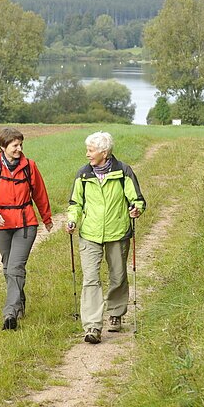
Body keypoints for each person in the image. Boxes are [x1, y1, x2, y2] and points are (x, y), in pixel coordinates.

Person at [66, 131, 145, 344]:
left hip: (117, 232)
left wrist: (136, 209)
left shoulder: (123, 171)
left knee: (118, 275)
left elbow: (137, 199)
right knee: (91, 278)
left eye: (91, 150)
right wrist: (72, 219)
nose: (87, 154)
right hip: (90, 233)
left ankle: (116, 313)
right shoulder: (83, 174)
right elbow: (75, 203)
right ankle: (92, 326)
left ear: (104, 152)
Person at [0, 127, 53, 331]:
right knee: (8, 266)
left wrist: (46, 218)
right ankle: (19, 301)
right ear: (3, 147)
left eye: (21, 145)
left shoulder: (30, 166)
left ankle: (10, 314)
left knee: (15, 267)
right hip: (0, 225)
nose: (19, 149)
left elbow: (40, 193)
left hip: (25, 223)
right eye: (15, 145)